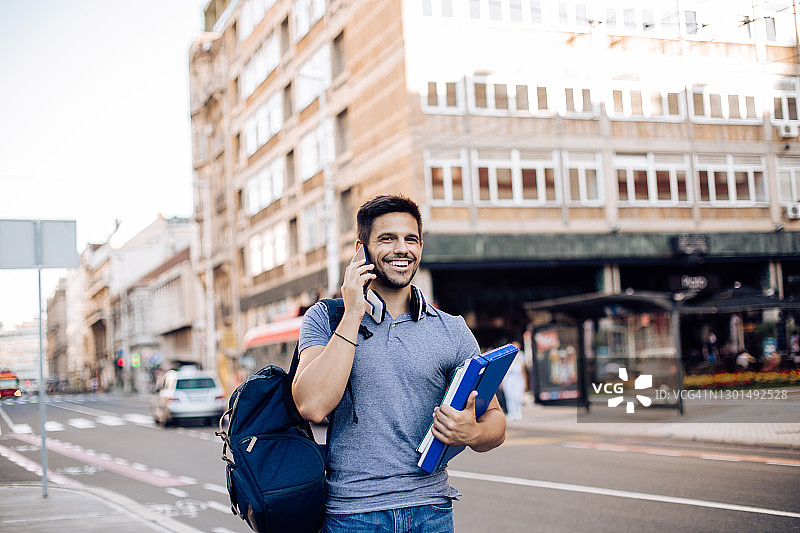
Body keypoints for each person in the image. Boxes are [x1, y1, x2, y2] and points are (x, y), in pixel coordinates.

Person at [293, 195, 506, 533]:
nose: (402, 249)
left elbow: (495, 420)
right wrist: (353, 312)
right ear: (361, 250)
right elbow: (312, 405)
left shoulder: (451, 329)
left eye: (411, 239)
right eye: (387, 238)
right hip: (354, 515)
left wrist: (474, 432)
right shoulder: (326, 318)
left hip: (431, 511)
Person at [501, 341, 525, 421]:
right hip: (509, 379)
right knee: (509, 396)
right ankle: (511, 413)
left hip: (518, 378)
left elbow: (523, 370)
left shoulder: (521, 356)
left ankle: (518, 412)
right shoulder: (507, 356)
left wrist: (525, 381)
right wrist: (502, 381)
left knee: (517, 396)